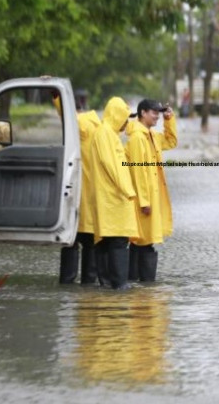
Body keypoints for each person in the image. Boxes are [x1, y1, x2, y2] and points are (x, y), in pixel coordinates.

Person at [125, 99, 177, 282]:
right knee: (142, 241)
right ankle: (141, 283)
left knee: (144, 241)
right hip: (143, 200)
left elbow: (171, 141)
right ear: (143, 113)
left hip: (151, 198)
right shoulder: (138, 138)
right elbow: (138, 172)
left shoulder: (152, 136)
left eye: (159, 113)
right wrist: (144, 201)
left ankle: (139, 285)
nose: (157, 116)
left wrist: (169, 119)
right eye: (154, 113)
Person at [91, 97, 139, 290]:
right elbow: (113, 166)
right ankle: (119, 284)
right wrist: (128, 191)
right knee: (118, 240)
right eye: (125, 118)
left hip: (111, 196)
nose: (127, 123)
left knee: (107, 239)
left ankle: (108, 284)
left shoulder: (108, 133)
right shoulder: (105, 134)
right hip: (114, 197)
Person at [58, 95, 101, 285]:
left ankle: (67, 282)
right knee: (90, 243)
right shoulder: (97, 125)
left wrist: (57, 98)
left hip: (77, 192)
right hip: (92, 193)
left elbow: (66, 116)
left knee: (70, 241)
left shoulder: (80, 123)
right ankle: (88, 284)